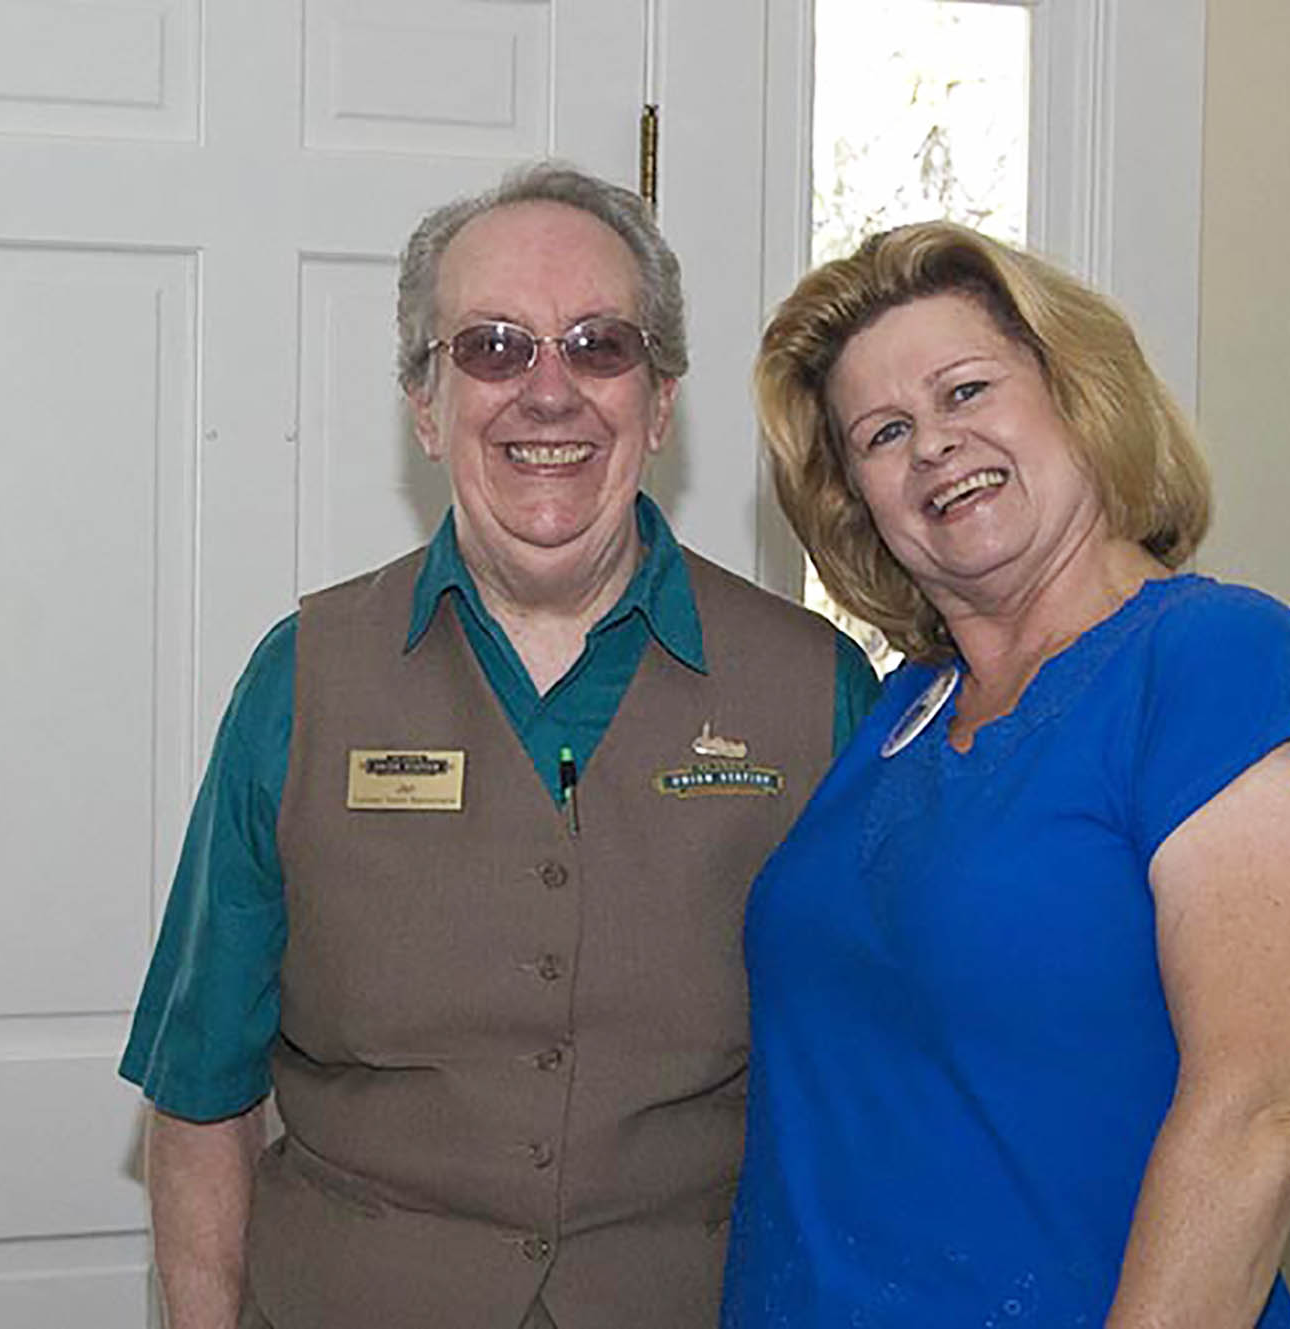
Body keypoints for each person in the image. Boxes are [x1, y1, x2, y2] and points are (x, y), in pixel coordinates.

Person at [120, 162, 880, 1329]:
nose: (548, 391)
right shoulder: (302, 679)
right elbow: (198, 1095)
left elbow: (882, 1089)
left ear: (660, 403)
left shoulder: (813, 690)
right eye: (491, 348)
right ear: (424, 408)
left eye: (597, 345)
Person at [721, 221, 1290, 1328]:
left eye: (966, 390)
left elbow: (1267, 1107)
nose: (934, 445)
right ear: (857, 502)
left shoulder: (1217, 662)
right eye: (883, 432)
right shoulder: (898, 711)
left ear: (1076, 396)